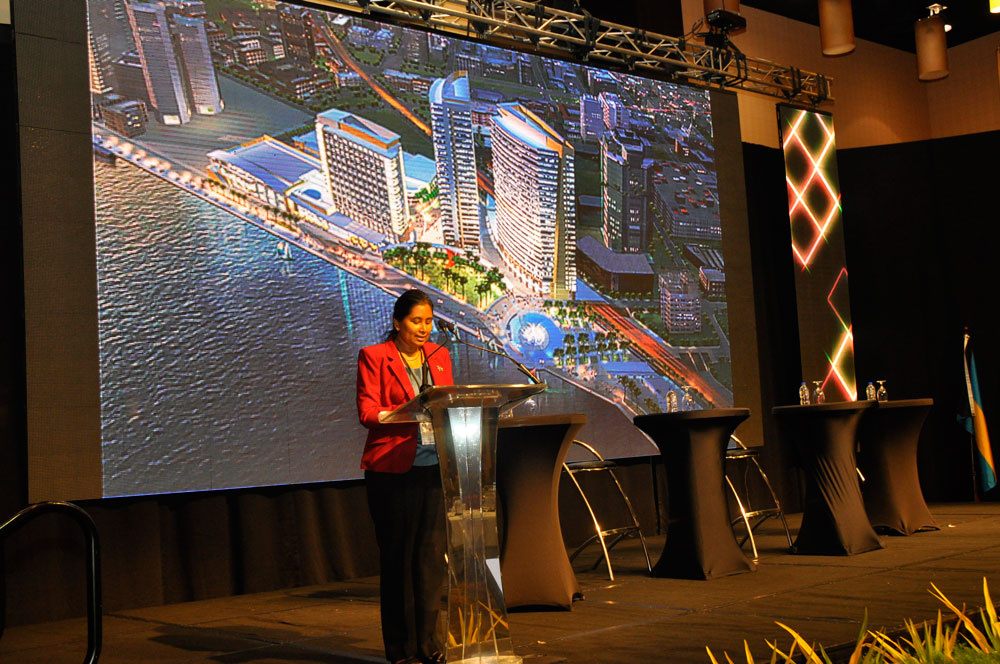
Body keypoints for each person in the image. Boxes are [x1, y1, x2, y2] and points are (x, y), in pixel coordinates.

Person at [356, 289, 452, 664]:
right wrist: (405, 412)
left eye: (428, 321)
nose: (423, 328)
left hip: (434, 467)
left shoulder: (439, 356)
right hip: (392, 470)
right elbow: (367, 411)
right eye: (416, 321)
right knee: (398, 559)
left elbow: (447, 403)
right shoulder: (374, 356)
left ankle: (428, 645)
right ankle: (399, 648)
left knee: (430, 559)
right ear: (398, 323)